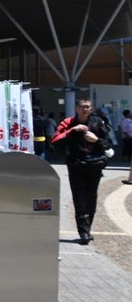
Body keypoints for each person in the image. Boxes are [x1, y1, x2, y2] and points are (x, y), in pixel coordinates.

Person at [51, 99, 112, 245]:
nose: (85, 109)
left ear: (91, 109)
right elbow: (55, 141)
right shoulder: (68, 122)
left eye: (88, 107)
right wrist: (72, 130)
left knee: (92, 198)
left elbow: (108, 143)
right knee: (79, 199)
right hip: (76, 166)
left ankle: (87, 228)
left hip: (95, 165)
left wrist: (96, 140)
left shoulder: (98, 122)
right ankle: (83, 232)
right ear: (76, 108)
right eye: (82, 107)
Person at [120, 109, 132, 176]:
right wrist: (127, 136)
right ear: (127, 114)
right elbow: (124, 129)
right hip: (127, 137)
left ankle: (129, 157)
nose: (131, 114)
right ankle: (125, 158)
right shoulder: (124, 121)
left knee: (130, 148)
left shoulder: (130, 120)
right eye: (130, 113)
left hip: (130, 136)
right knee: (126, 147)